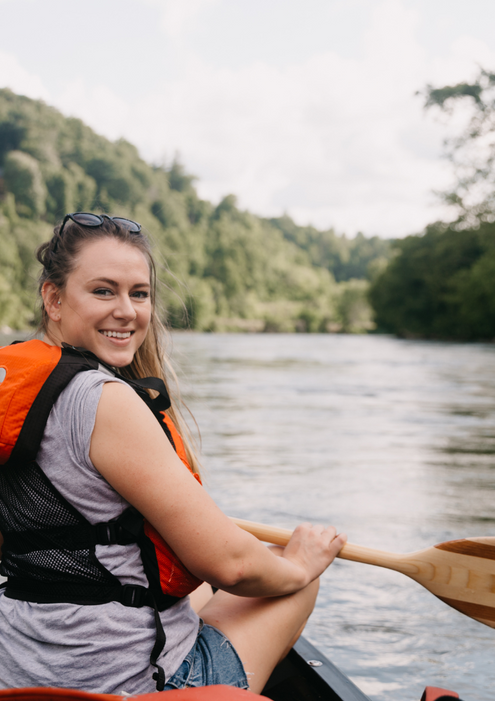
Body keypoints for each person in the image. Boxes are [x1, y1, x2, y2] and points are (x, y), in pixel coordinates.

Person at [0, 213, 346, 695]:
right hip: (124, 684)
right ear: (54, 299)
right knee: (288, 576)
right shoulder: (104, 399)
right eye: (104, 291)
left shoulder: (13, 387)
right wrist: (302, 563)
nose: (126, 310)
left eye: (138, 293)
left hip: (20, 669)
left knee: (217, 580)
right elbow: (234, 567)